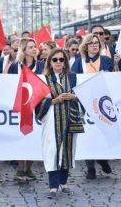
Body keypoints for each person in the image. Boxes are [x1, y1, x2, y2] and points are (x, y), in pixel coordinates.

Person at [36, 48, 85, 199]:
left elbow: (84, 96)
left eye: (61, 59)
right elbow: (37, 102)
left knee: (67, 151)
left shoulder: (73, 78)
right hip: (52, 120)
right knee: (52, 151)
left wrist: (74, 97)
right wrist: (55, 100)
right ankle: (52, 187)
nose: (58, 62)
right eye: (55, 59)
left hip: (70, 118)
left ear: (65, 62)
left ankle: (64, 183)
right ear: (49, 62)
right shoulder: (43, 79)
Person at [71, 34, 113, 179]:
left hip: (103, 103)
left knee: (102, 132)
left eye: (96, 43)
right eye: (91, 43)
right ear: (86, 46)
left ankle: (102, 159)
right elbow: (73, 80)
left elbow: (114, 79)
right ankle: (90, 167)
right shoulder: (79, 63)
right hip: (85, 104)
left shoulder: (107, 60)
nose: (94, 45)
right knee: (88, 135)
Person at [8, 38, 44, 181]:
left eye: (35, 46)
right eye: (30, 47)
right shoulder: (15, 66)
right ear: (24, 50)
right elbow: (8, 84)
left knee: (33, 136)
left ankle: (28, 168)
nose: (34, 49)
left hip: (37, 105)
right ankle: (20, 167)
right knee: (21, 135)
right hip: (21, 105)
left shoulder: (41, 65)